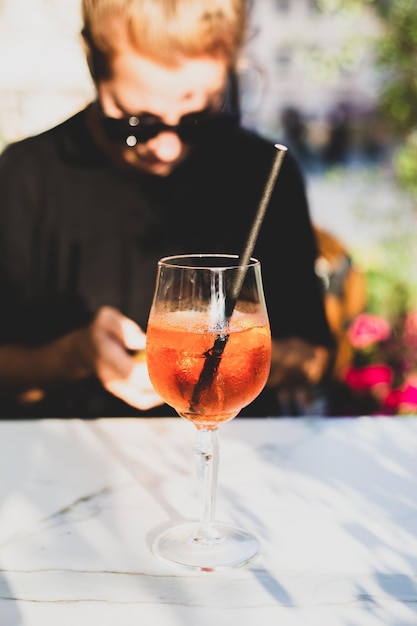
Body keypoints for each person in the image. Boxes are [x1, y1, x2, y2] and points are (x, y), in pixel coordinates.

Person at [0, 0, 333, 418]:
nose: (168, 148)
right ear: (93, 63)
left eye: (199, 118)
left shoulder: (265, 174)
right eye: (138, 123)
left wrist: (236, 357)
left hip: (245, 453)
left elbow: (315, 356)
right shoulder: (27, 175)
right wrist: (72, 357)